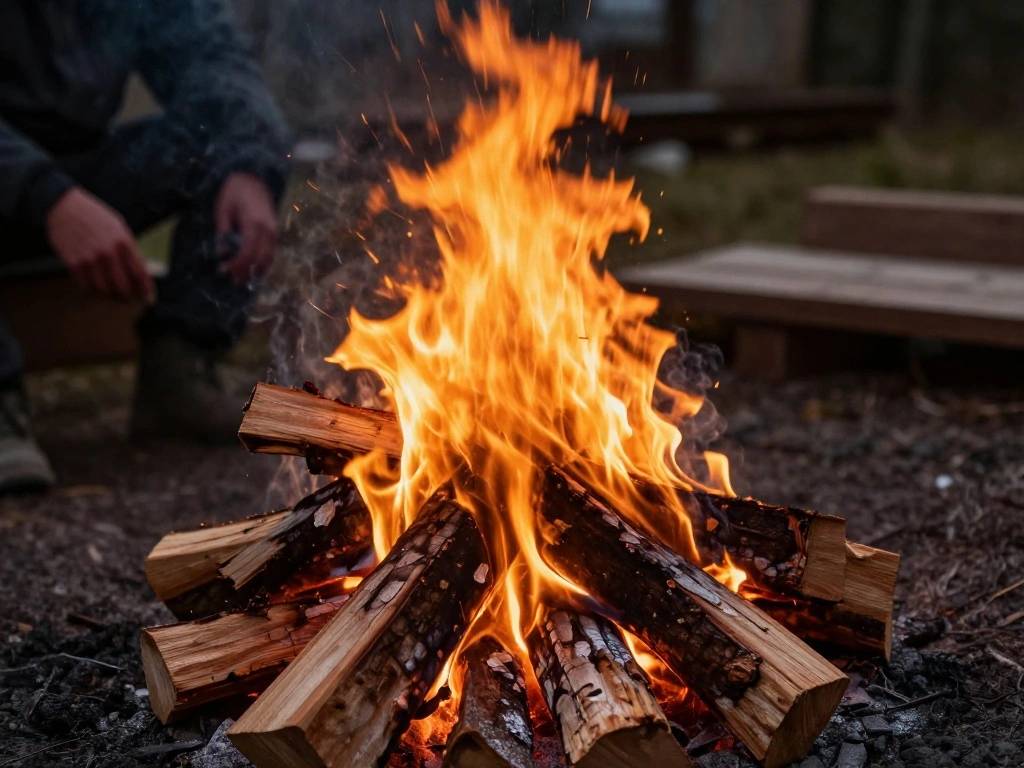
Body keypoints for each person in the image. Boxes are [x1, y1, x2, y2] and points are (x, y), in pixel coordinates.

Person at [0, 1, 292, 492]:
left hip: (76, 172)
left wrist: (248, 162)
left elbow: (212, 56)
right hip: (21, 180)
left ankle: (178, 371)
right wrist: (50, 198)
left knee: (232, 135)